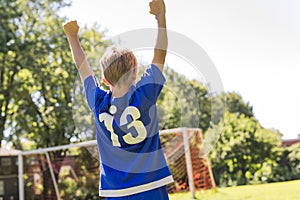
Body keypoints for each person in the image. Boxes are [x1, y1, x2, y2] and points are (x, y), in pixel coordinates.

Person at [63, 0, 173, 199]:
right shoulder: (145, 95)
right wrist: (160, 18)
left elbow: (82, 67)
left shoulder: (99, 103)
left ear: (104, 80)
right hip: (151, 186)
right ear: (134, 74)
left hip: (116, 190)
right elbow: (160, 55)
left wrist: (72, 37)